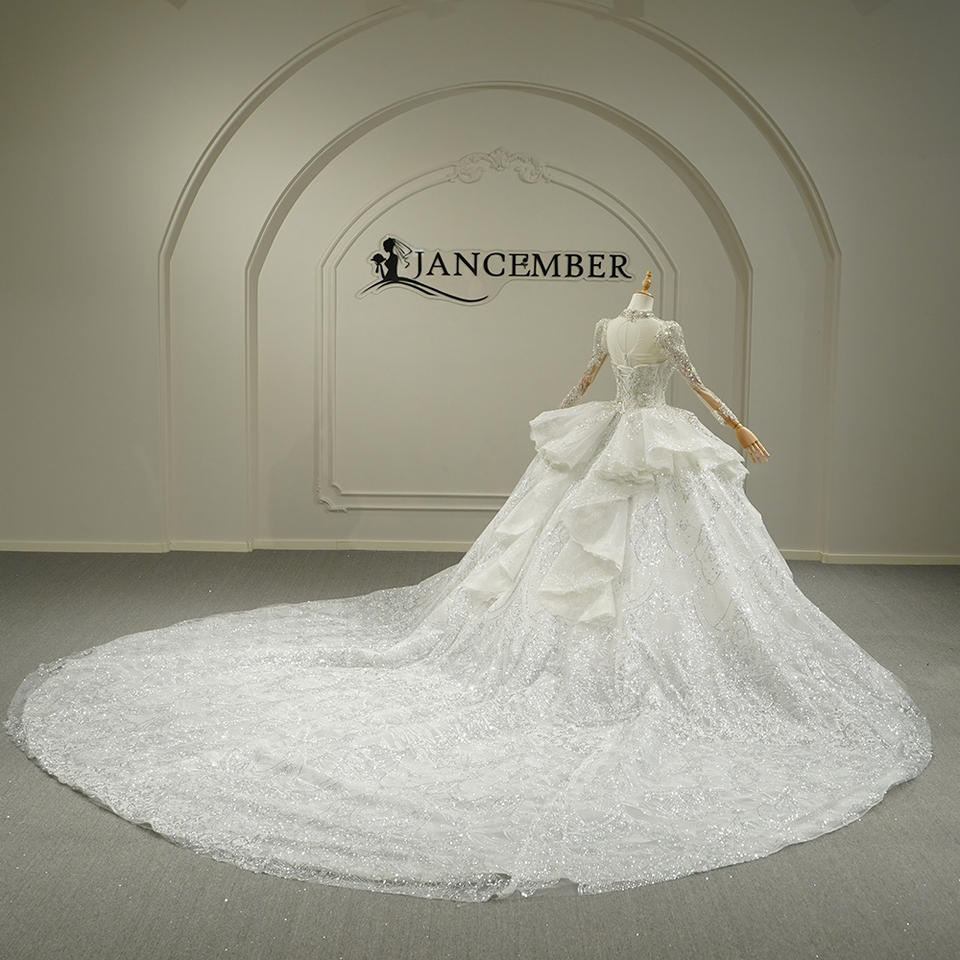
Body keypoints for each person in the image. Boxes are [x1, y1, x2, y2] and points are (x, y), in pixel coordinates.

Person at [6, 288, 932, 903]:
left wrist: (580, 409)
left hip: (615, 435)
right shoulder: (657, 332)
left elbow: (582, 382)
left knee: (608, 549)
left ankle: (626, 644)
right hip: (642, 436)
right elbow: (693, 386)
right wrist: (737, 427)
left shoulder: (615, 330)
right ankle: (599, 653)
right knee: (604, 550)